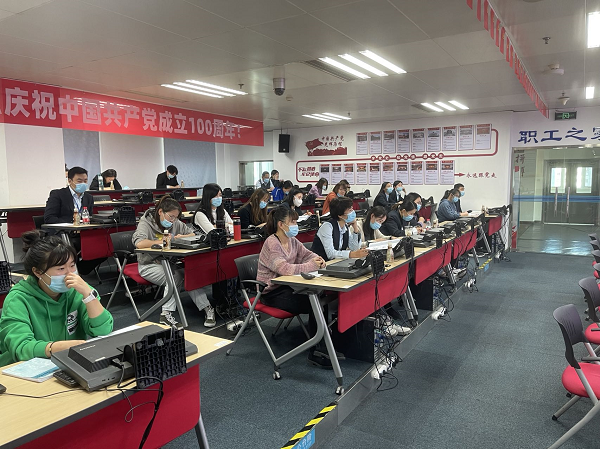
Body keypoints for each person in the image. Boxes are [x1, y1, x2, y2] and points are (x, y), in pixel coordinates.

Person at [0, 230, 113, 367]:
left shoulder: (80, 290)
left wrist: (89, 296)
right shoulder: (18, 299)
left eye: (72, 265)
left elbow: (103, 331)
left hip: (67, 364)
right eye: (61, 268)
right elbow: (21, 348)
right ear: (38, 272)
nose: (70, 274)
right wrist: (54, 348)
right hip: (23, 368)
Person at [257, 207, 331, 367]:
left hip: (288, 287)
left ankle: (325, 344)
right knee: (314, 303)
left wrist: (318, 259)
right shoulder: (272, 243)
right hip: (271, 293)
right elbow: (285, 269)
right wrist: (311, 265)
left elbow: (307, 254)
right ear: (281, 224)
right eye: (293, 222)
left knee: (320, 297)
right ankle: (317, 350)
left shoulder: (292, 240)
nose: (296, 225)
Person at [133, 195, 216, 328]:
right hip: (149, 265)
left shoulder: (175, 222)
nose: (173, 221)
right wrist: (162, 241)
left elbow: (195, 234)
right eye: (171, 217)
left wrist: (181, 236)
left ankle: (207, 308)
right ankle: (166, 314)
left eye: (175, 218)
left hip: (170, 264)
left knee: (189, 274)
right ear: (161, 212)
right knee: (175, 277)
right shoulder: (146, 223)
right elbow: (139, 243)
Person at [312, 197, 368, 261]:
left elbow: (354, 248)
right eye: (350, 210)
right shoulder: (327, 227)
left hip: (336, 263)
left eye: (352, 209)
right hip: (321, 263)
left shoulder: (345, 227)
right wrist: (351, 254)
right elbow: (330, 254)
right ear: (340, 215)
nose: (353, 212)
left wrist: (355, 228)